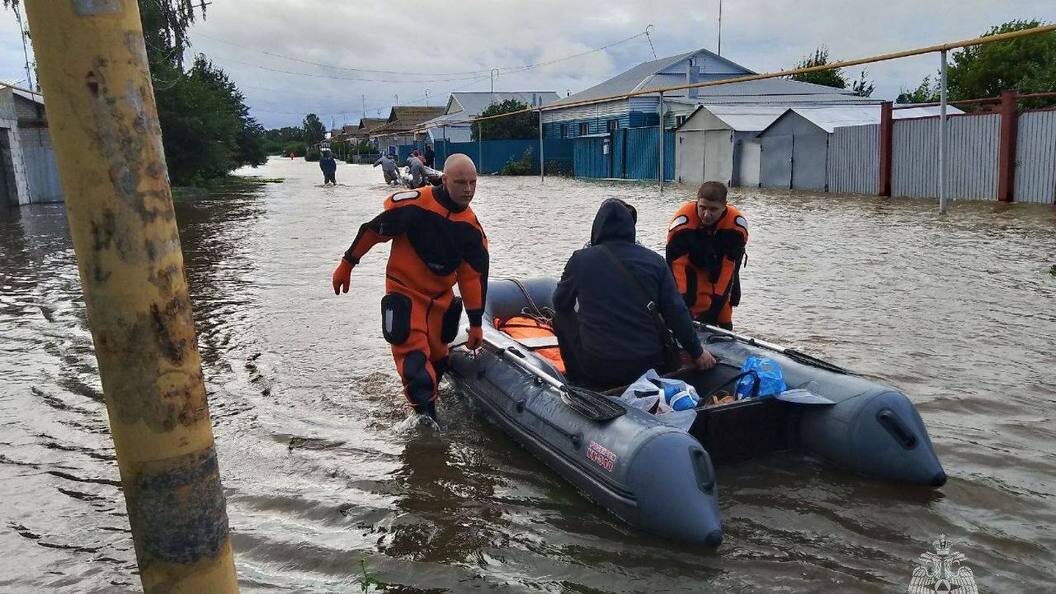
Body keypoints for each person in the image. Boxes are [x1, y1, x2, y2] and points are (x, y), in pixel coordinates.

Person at [331, 154, 488, 421]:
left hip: (439, 301)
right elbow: (373, 231)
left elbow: (472, 279)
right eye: (461, 182)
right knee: (416, 367)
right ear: (445, 179)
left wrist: (476, 323)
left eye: (473, 183)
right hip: (405, 292)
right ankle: (427, 432)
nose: (468, 190)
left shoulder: (472, 232)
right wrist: (348, 262)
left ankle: (428, 416)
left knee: (438, 363)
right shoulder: (415, 205)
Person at [552, 198, 716, 390]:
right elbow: (677, 313)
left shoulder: (580, 259)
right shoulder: (655, 261)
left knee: (560, 318)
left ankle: (576, 381)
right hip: (647, 364)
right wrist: (697, 353)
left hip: (598, 366)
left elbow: (560, 303)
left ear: (596, 229)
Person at [666, 181, 749, 330]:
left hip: (720, 264)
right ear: (696, 202)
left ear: (725, 207)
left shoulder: (735, 227)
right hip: (690, 265)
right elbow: (677, 266)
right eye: (702, 207)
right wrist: (681, 303)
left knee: (723, 311)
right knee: (688, 303)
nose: (706, 214)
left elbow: (728, 269)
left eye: (713, 209)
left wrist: (714, 309)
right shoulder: (682, 223)